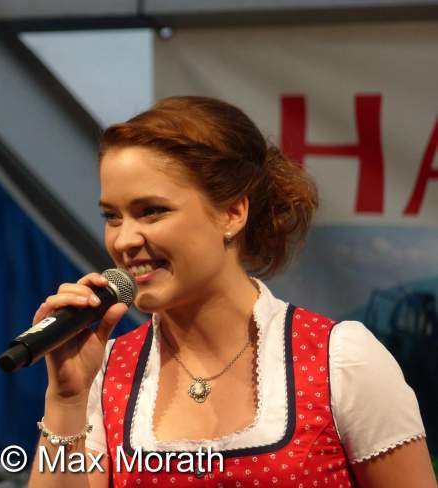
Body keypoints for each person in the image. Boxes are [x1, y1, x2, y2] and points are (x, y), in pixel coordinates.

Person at [27, 96, 436, 488]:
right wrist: (66, 400)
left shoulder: (341, 360)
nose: (124, 240)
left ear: (232, 213)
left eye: (151, 211)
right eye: (112, 217)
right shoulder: (105, 373)